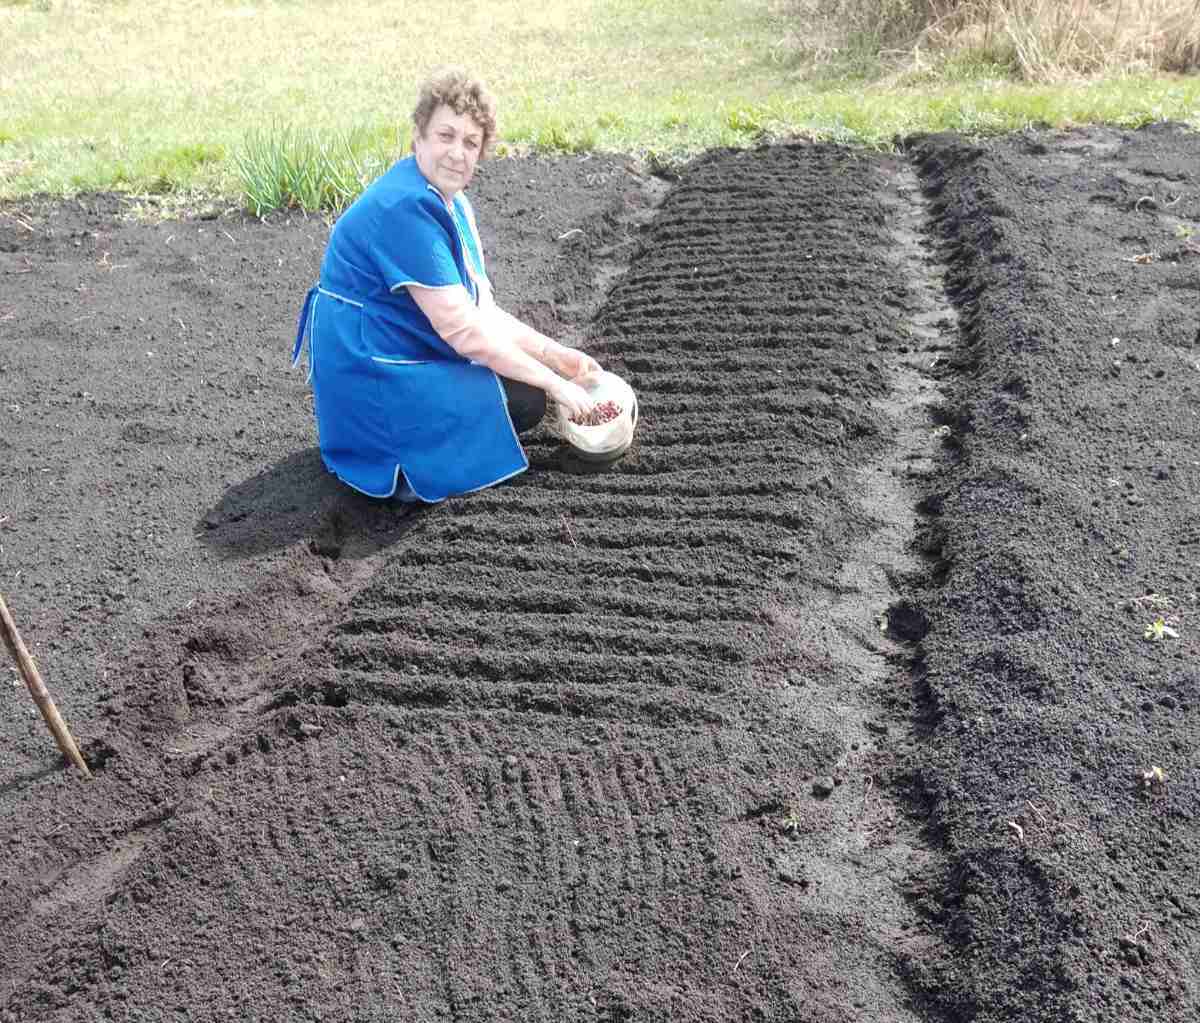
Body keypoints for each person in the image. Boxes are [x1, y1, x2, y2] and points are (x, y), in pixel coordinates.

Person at [293, 67, 601, 503]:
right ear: (418, 136)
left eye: (470, 143)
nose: (457, 153)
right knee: (524, 398)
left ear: (480, 155)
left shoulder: (451, 203)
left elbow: (483, 312)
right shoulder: (406, 209)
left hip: (397, 341)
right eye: (446, 136)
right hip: (368, 367)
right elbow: (463, 331)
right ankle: (400, 466)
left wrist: (559, 358)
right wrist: (556, 385)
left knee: (521, 396)